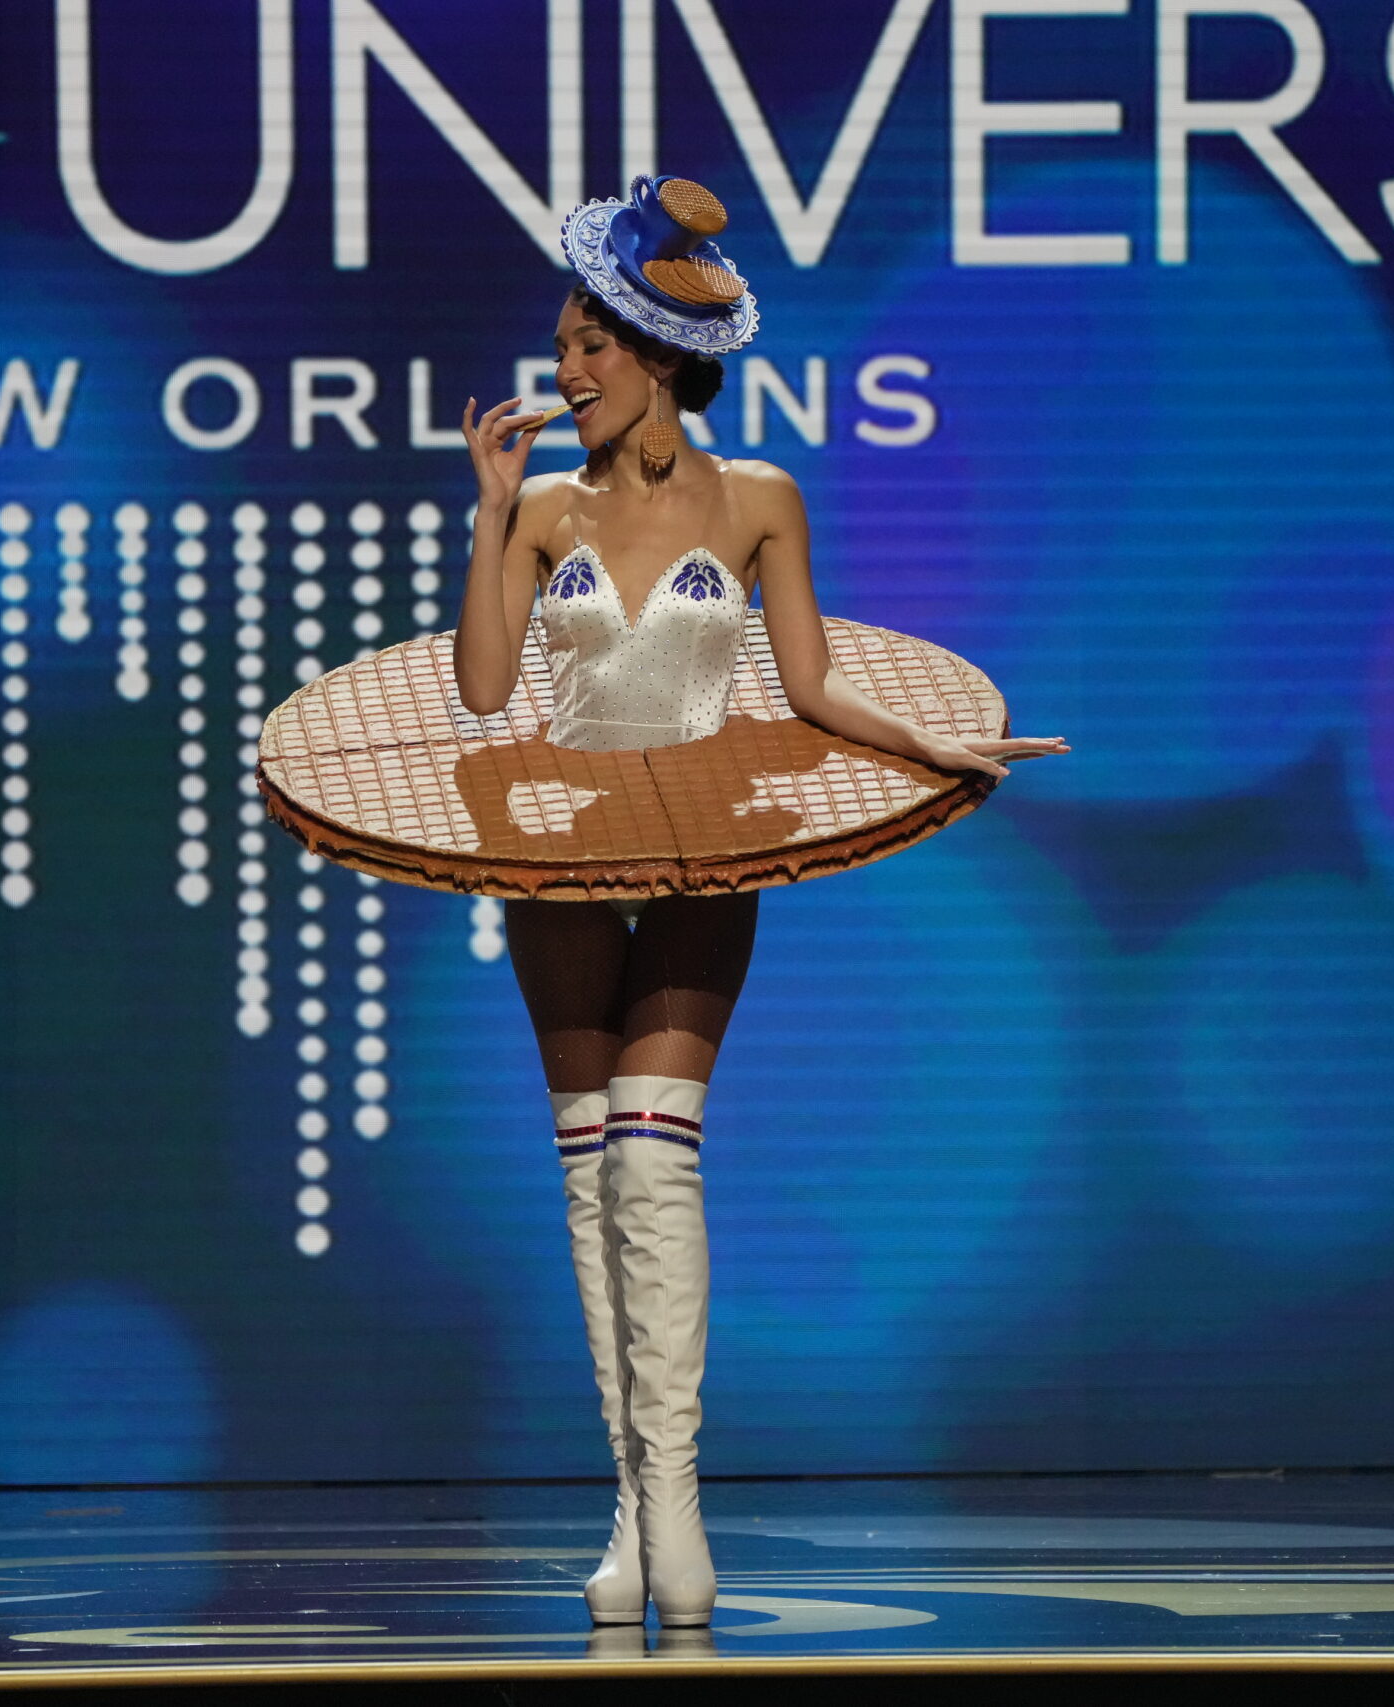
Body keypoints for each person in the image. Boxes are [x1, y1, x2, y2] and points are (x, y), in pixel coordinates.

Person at [453, 177, 1066, 1629]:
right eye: (561, 351)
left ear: (657, 349)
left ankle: (677, 1505)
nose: (565, 375)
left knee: (657, 1168)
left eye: (588, 349)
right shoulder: (542, 510)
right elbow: (484, 691)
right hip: (562, 854)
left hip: (709, 855)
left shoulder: (765, 501)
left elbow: (809, 686)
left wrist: (932, 739)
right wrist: (484, 523)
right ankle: (627, 1510)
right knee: (588, 1175)